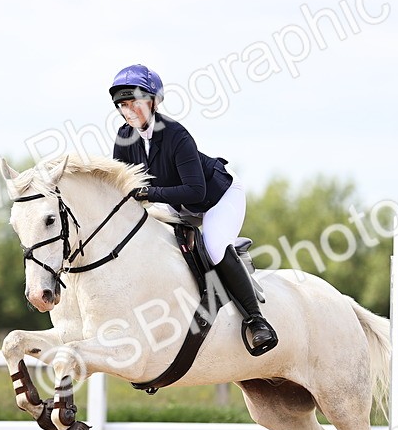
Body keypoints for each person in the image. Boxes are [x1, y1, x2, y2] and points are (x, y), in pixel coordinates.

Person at [109, 63, 277, 355]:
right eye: (123, 105)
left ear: (153, 102)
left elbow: (195, 190)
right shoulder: (125, 139)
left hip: (218, 197)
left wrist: (149, 192)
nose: (129, 111)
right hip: (176, 203)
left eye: (135, 102)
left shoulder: (175, 135)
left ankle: (256, 320)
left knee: (212, 246)